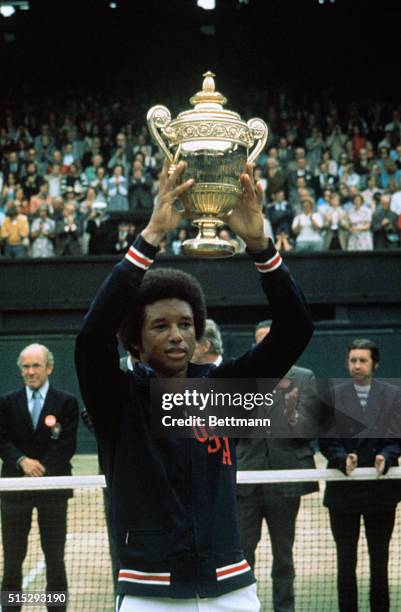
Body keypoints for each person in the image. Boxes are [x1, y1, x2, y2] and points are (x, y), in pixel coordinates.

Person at [75, 160, 314, 611]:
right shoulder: (121, 401)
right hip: (150, 593)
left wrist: (261, 246)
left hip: (232, 589)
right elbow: (91, 337)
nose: (177, 335)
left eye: (186, 324)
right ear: (135, 341)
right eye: (160, 325)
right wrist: (149, 239)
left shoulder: (224, 389)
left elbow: (297, 328)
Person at [237, 319, 318, 612]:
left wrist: (293, 417)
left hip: (285, 483)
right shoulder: (241, 380)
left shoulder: (304, 377)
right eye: (260, 342)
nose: (265, 346)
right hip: (247, 481)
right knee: (243, 556)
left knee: (284, 558)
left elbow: (311, 433)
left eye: (270, 340)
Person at [319, 339, 401, 612]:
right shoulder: (333, 396)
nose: (357, 366)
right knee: (346, 562)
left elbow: (396, 438)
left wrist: (386, 457)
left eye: (362, 360)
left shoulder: (392, 395)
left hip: (381, 494)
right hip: (344, 495)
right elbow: (327, 441)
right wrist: (343, 458)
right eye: (353, 360)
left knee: (379, 562)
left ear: (375, 363)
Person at [0, 343, 79, 612]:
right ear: (20, 370)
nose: (30, 372)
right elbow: (2, 440)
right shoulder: (7, 402)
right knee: (12, 558)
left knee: (55, 558)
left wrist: (41, 468)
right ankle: (11, 608)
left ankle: (56, 609)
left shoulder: (67, 402)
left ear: (49, 368)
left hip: (53, 490)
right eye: (26, 367)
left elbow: (66, 444)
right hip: (14, 490)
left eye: (36, 366)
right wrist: (22, 462)